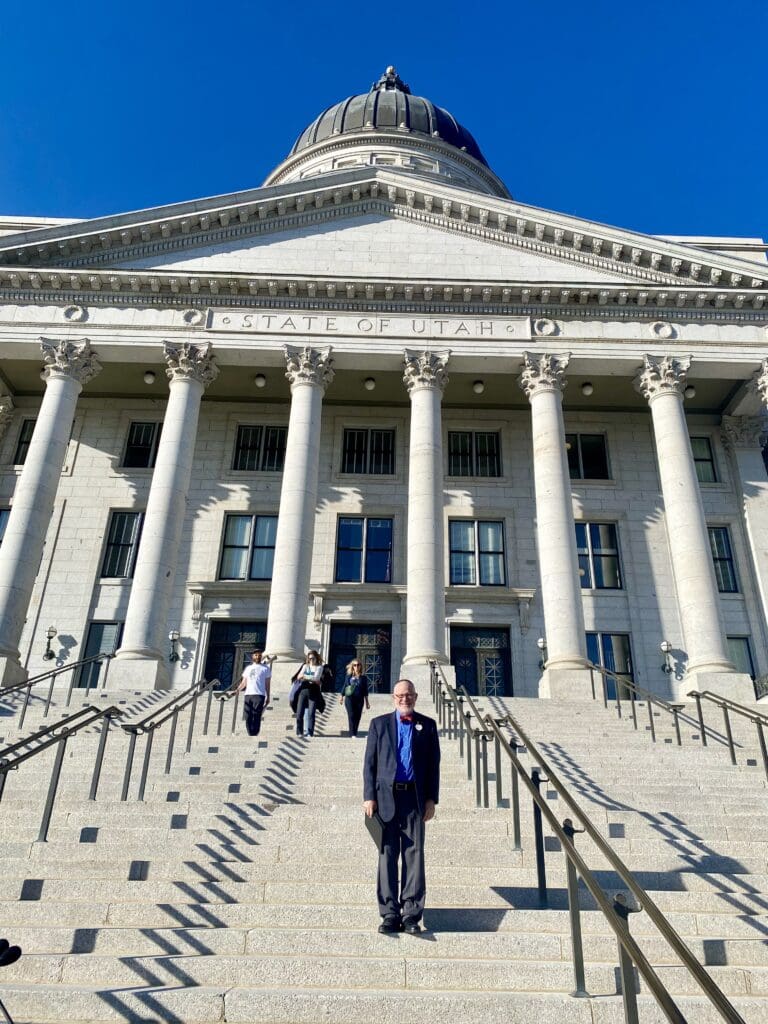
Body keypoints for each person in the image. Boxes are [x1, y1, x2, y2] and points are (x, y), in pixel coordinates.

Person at [363, 679, 440, 934]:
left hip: (415, 799)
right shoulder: (379, 724)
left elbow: (433, 767)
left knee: (414, 856)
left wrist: (431, 799)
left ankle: (411, 915)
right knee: (387, 855)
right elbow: (370, 764)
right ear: (393, 698)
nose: (404, 699)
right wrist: (368, 797)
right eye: (399, 696)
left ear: (415, 697)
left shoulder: (427, 726)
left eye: (408, 695)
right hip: (385, 799)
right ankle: (389, 913)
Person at [234, 650, 272, 737]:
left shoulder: (266, 668)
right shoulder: (248, 668)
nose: (258, 657)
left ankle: (255, 733)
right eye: (256, 655)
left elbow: (267, 684)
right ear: (252, 657)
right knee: (248, 715)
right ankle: (250, 733)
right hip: (248, 694)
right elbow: (244, 682)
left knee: (256, 714)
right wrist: (237, 690)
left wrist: (268, 697)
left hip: (259, 694)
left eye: (259, 655)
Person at [295, 650, 323, 737]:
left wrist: (305, 677)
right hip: (303, 690)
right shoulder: (305, 666)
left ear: (316, 658)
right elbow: (299, 676)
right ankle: (299, 732)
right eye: (310, 658)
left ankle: (310, 732)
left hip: (313, 691)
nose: (311, 660)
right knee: (299, 713)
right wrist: (309, 678)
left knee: (311, 713)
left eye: (313, 658)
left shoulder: (319, 667)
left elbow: (316, 678)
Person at [339, 659, 370, 737]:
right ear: (352, 666)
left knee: (357, 716)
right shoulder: (348, 676)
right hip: (350, 698)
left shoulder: (363, 678)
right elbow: (345, 686)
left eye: (358, 665)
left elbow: (365, 690)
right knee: (351, 715)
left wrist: (367, 702)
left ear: (360, 666)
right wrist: (341, 697)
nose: (356, 667)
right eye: (355, 665)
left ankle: (354, 732)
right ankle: (352, 733)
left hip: (359, 699)